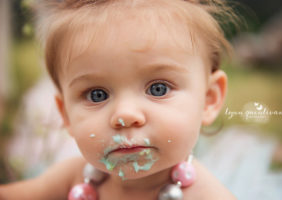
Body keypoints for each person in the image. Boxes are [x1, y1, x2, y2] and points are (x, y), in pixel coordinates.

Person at [0, 0, 237, 199]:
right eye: (97, 95)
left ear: (208, 99)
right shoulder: (76, 177)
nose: (124, 115)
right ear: (66, 115)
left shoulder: (206, 195)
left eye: (158, 89)